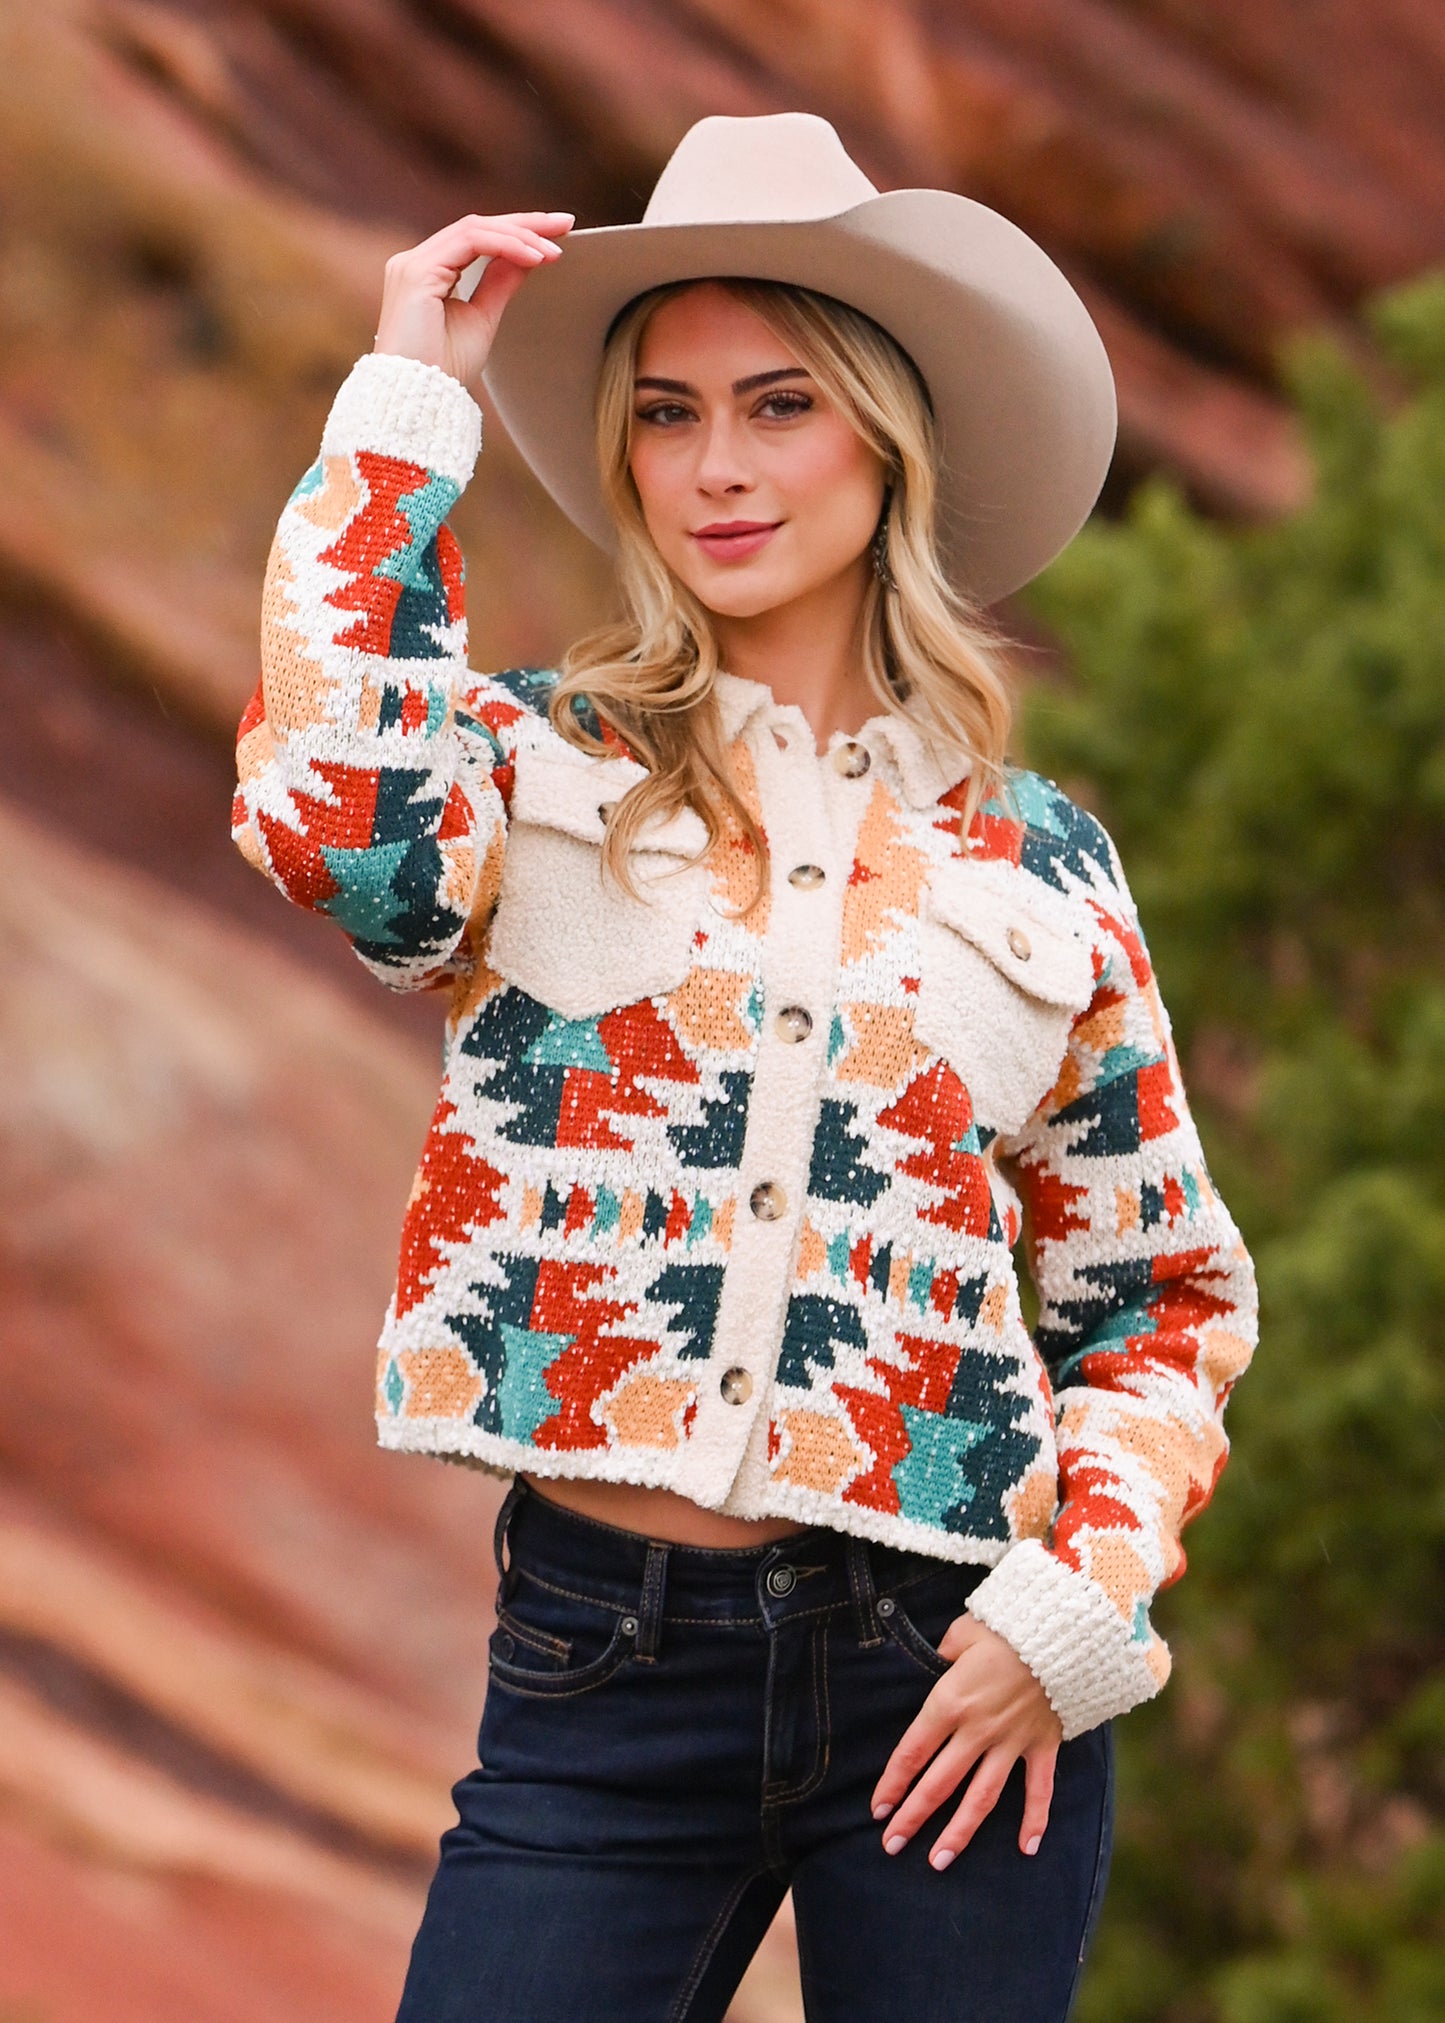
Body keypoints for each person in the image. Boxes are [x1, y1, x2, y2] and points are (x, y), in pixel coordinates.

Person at [232, 112, 1258, 2022]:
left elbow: (1165, 1297)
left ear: (888, 431)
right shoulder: (526, 766)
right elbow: (331, 827)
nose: (713, 469)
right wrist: (398, 420)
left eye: (779, 404)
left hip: (957, 1667)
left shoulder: (1040, 863)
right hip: (595, 1668)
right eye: (663, 412)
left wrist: (1078, 1603)